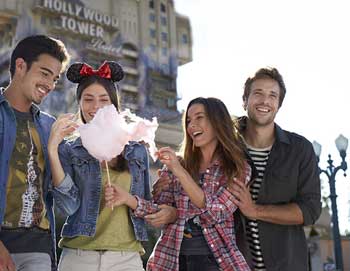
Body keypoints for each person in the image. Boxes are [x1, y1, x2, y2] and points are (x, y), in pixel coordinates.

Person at [105, 97, 253, 271]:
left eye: (199, 117)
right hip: (172, 261)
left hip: (217, 263)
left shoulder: (238, 168)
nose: (191, 125)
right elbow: (160, 214)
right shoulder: (177, 165)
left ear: (217, 121)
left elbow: (215, 213)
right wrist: (127, 198)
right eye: (189, 120)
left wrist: (179, 172)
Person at [48, 61, 150, 271]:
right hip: (78, 257)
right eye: (88, 99)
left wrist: (127, 198)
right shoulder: (68, 150)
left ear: (114, 105)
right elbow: (68, 206)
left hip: (126, 258)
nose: (95, 107)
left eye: (104, 100)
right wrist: (52, 149)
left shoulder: (136, 151)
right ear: (79, 104)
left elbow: (149, 209)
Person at [229, 67, 322, 271]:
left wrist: (254, 211)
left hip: (287, 265)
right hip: (232, 264)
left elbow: (311, 209)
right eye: (258, 93)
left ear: (278, 104)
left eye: (272, 95)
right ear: (245, 100)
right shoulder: (226, 146)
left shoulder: (300, 149)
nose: (265, 101)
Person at [0, 35, 73, 271]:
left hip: (38, 247)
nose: (50, 85)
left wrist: (53, 149)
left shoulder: (50, 127)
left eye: (55, 78)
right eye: (44, 73)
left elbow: (69, 204)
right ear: (20, 66)